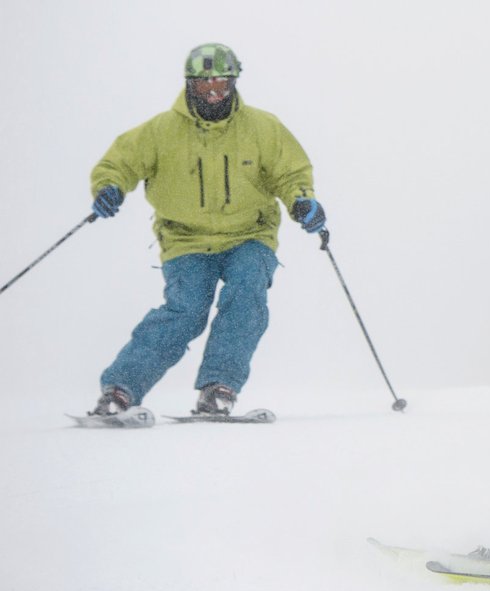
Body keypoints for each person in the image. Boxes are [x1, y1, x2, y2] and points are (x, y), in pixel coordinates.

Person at [85, 43, 326, 417]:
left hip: (249, 235)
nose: (214, 92)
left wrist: (302, 201)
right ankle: (120, 391)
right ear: (189, 85)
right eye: (204, 85)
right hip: (186, 238)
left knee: (246, 295)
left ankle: (219, 386)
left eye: (221, 84)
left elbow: (291, 172)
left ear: (233, 83)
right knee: (186, 311)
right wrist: (110, 187)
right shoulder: (161, 131)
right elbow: (120, 162)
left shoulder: (263, 128)